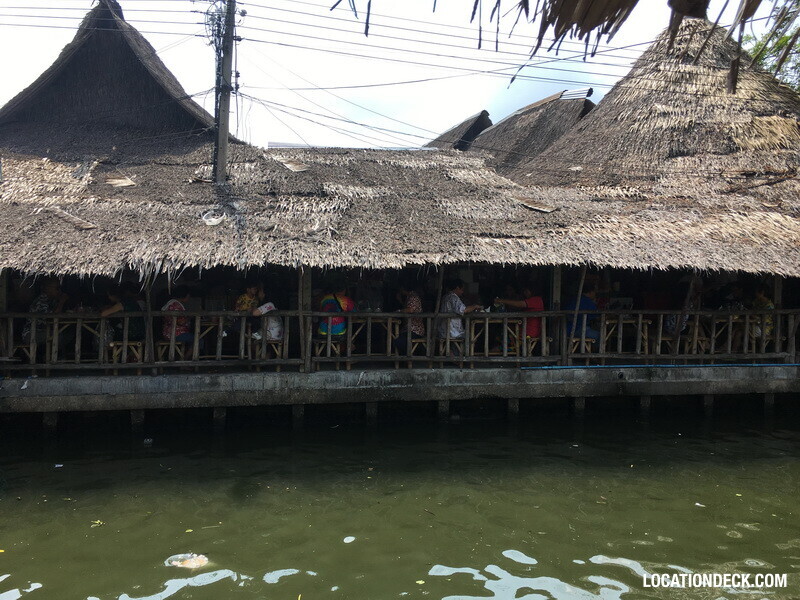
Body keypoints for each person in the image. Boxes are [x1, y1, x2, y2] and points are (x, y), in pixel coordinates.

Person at [22, 278, 69, 344]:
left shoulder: (51, 300)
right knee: (59, 336)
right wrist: (61, 302)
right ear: (48, 288)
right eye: (57, 288)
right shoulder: (41, 301)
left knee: (66, 333)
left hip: (43, 332)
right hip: (32, 333)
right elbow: (53, 317)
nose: (59, 291)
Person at [394, 281, 425, 355]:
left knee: (399, 341)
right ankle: (405, 359)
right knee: (399, 339)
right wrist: (400, 301)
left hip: (415, 330)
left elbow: (410, 310)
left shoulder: (413, 297)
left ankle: (406, 359)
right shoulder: (410, 297)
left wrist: (398, 311)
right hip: (409, 328)